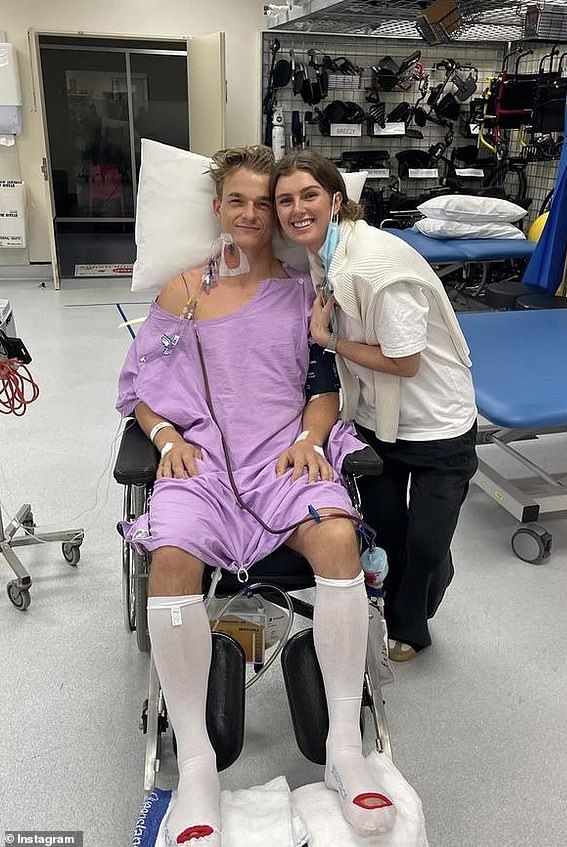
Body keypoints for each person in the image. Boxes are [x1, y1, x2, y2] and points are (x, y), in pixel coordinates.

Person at [116, 145, 396, 846]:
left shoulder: (309, 288)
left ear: (280, 213)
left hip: (282, 453)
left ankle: (342, 747)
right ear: (217, 208)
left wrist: (311, 436)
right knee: (172, 556)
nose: (250, 214)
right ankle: (200, 764)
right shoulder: (183, 291)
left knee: (336, 538)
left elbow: (323, 384)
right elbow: (143, 394)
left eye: (263, 203)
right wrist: (166, 441)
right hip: (204, 460)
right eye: (236, 201)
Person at [273, 150, 478, 663]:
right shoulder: (324, 255)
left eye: (310, 195)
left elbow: (405, 361)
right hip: (375, 421)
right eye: (285, 200)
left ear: (337, 200)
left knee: (429, 547)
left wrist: (327, 339)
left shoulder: (373, 266)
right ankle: (403, 600)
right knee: (388, 531)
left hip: (437, 426)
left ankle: (411, 625)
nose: (297, 209)